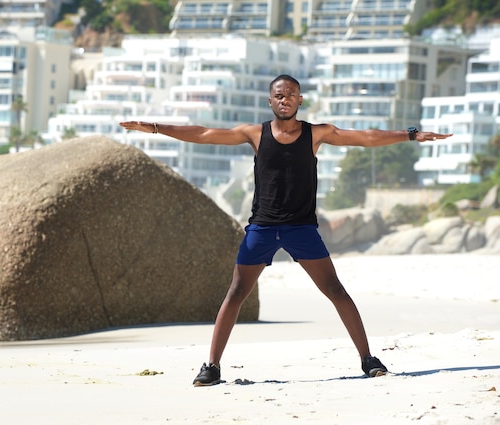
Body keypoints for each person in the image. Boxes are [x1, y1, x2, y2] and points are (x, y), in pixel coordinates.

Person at [119, 74, 452, 386]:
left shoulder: (316, 133)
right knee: (236, 293)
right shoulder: (254, 133)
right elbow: (204, 134)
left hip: (301, 229)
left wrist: (409, 134)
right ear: (270, 101)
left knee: (335, 291)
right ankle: (212, 367)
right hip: (262, 227)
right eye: (279, 95)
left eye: (291, 95)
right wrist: (155, 127)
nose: (285, 99)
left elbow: (363, 138)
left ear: (300, 100)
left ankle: (368, 359)